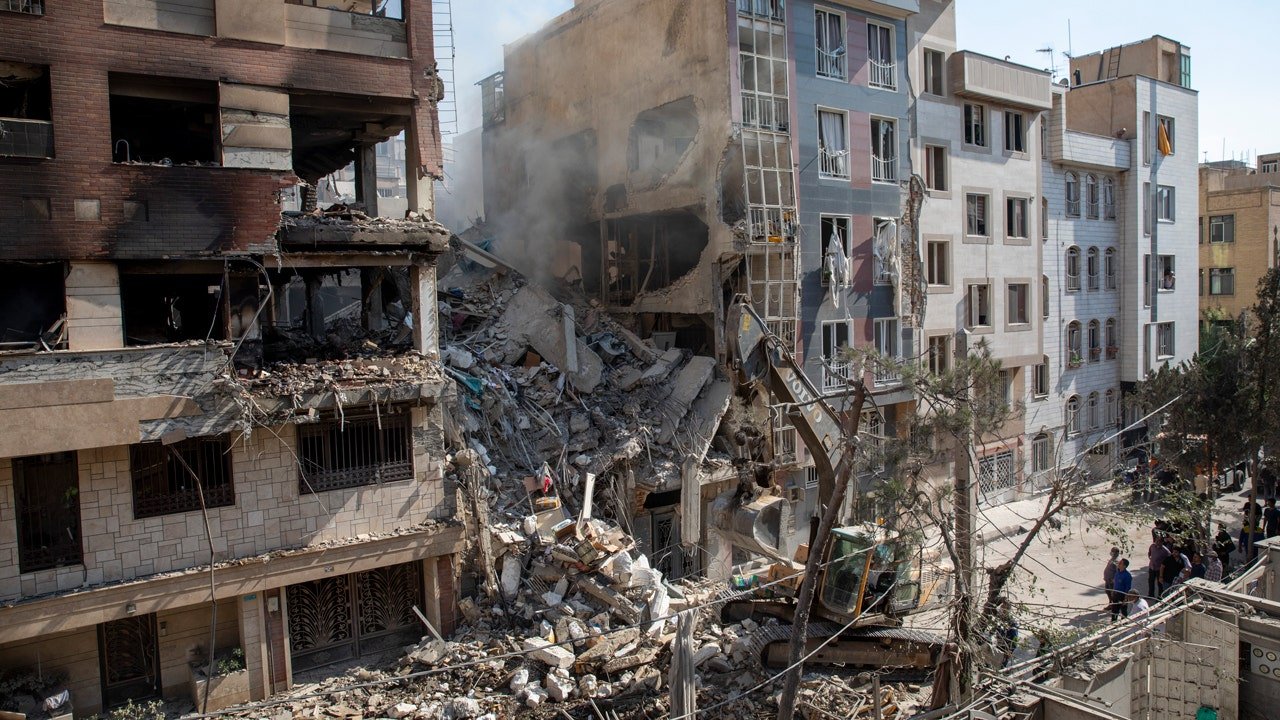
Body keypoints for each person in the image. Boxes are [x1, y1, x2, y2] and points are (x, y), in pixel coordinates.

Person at [1148, 532, 1171, 598]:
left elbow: (1169, 558)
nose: (1157, 543)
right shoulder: (1152, 546)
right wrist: (1150, 558)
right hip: (1152, 567)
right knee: (1151, 581)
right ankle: (1150, 594)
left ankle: (1160, 596)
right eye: (1156, 541)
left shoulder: (1165, 550)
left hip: (1159, 569)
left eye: (1159, 541)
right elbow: (1149, 553)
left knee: (1160, 583)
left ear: (1162, 542)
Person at [1103, 547, 1120, 617]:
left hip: (1111, 581)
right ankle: (1111, 604)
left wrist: (1114, 579)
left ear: (1116, 553)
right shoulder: (1112, 559)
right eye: (1111, 551)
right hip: (1108, 579)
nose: (1111, 552)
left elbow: (1118, 571)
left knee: (1112, 593)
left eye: (1113, 551)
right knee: (1108, 591)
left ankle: (1114, 606)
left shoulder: (1117, 561)